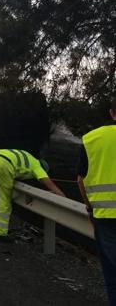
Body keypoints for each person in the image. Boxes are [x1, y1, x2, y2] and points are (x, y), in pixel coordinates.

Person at [77, 97, 116, 305]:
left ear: (111, 112)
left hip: (104, 217)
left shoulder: (90, 138)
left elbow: (80, 180)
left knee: (112, 274)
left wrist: (90, 207)